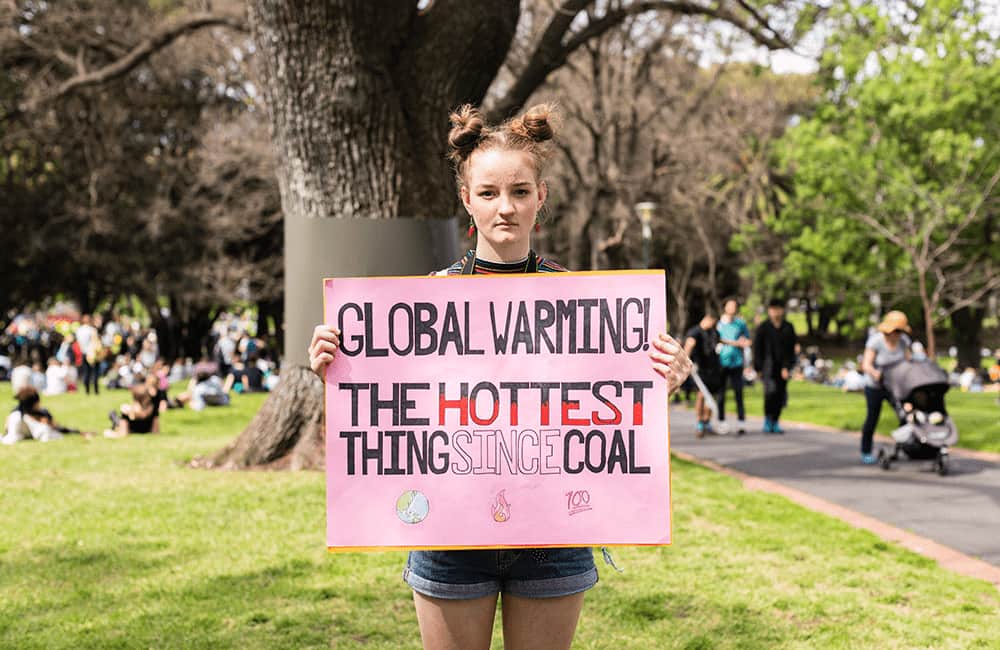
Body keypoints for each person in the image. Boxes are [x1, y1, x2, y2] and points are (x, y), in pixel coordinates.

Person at [307, 104, 693, 650]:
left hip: (553, 534)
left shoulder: (585, 305)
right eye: (488, 193)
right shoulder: (421, 303)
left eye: (519, 191)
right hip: (449, 532)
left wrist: (659, 381)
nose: (505, 207)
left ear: (542, 196)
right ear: (467, 199)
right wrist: (339, 370)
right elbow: (387, 411)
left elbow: (610, 408)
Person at [859, 310, 912, 464]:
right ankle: (866, 451)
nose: (898, 334)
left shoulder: (904, 342)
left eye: (901, 331)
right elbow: (866, 364)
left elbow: (909, 361)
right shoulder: (876, 341)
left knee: (905, 416)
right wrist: (875, 373)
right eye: (897, 331)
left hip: (895, 386)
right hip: (875, 386)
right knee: (872, 418)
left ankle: (902, 447)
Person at [752, 298, 797, 434]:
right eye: (773, 309)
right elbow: (757, 348)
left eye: (778, 309)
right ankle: (768, 419)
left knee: (780, 394)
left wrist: (787, 367)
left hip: (782, 367)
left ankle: (776, 421)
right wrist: (758, 368)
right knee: (770, 393)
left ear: (782, 311)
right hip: (767, 367)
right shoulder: (763, 327)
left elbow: (791, 349)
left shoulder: (788, 327)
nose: (775, 312)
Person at [3, 387, 89, 444]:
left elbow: (57, 427)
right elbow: (7, 428)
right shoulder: (17, 414)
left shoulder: (42, 413)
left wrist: (77, 432)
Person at [716, 297, 751, 435]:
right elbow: (716, 339)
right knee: (721, 394)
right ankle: (721, 421)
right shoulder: (719, 323)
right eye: (730, 305)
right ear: (725, 307)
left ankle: (741, 422)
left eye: (734, 306)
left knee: (738, 392)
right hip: (721, 362)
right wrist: (733, 343)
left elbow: (747, 340)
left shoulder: (740, 324)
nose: (732, 308)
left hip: (737, 362)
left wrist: (744, 342)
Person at [684, 312, 722, 437]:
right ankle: (699, 422)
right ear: (707, 319)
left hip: (714, 368)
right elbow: (689, 345)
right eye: (712, 322)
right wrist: (686, 362)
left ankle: (707, 421)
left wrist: (736, 343)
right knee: (701, 395)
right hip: (700, 369)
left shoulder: (714, 332)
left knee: (711, 396)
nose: (713, 324)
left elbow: (719, 342)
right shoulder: (695, 332)